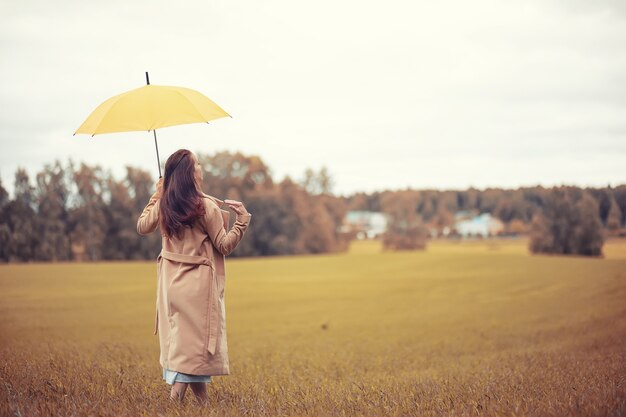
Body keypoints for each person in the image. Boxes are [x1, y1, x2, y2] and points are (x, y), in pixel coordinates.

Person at [136, 149, 252, 405]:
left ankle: (203, 404)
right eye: (198, 164)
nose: (201, 167)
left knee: (189, 348)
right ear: (190, 174)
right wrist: (242, 220)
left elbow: (142, 226)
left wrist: (158, 193)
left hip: (170, 285)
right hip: (197, 287)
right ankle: (174, 401)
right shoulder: (205, 207)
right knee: (191, 351)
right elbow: (223, 245)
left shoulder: (165, 205)